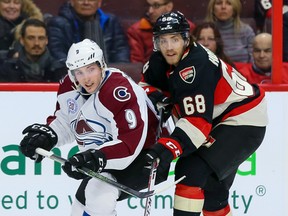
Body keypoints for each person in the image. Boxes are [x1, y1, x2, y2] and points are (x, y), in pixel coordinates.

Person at [19, 39, 166, 216]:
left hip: (149, 154)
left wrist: (96, 157)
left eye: (91, 69)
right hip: (107, 157)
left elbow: (129, 144)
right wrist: (48, 136)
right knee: (79, 209)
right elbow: (67, 122)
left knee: (98, 198)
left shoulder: (118, 90)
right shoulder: (68, 87)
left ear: (102, 65)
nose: (86, 78)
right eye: (79, 72)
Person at [140, 11, 267, 215]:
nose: (169, 47)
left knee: (190, 170)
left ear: (186, 39)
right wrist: (156, 95)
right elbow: (144, 85)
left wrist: (166, 150)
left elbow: (197, 124)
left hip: (243, 120)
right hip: (219, 117)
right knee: (211, 190)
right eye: (163, 40)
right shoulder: (158, 60)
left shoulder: (195, 67)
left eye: (174, 39)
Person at [47, 0, 130, 64]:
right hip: (73, 75)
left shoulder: (111, 21)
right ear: (72, 1)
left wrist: (115, 72)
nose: (86, 2)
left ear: (99, 2)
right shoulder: (58, 23)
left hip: (108, 74)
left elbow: (121, 51)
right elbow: (58, 55)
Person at [126, 0, 195, 64]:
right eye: (148, 5)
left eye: (156, 6)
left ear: (169, 6)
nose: (150, 11)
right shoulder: (136, 30)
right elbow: (136, 64)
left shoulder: (187, 27)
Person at [0, 18, 66, 82]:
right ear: (22, 40)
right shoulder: (7, 70)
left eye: (41, 38)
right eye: (31, 38)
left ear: (46, 40)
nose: (36, 43)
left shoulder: (59, 70)